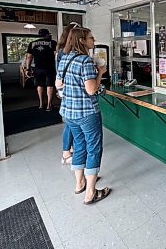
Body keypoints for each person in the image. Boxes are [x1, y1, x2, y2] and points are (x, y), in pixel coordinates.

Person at [56, 27, 111, 204]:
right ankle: (90, 192)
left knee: (79, 146)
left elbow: (58, 84)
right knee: (93, 149)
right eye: (91, 38)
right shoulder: (85, 61)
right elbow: (91, 89)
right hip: (87, 113)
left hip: (69, 112)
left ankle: (79, 183)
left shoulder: (65, 59)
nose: (93, 41)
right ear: (82, 41)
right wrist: (101, 72)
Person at [56, 22, 80, 165]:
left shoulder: (60, 50)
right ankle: (66, 153)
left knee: (71, 122)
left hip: (64, 90)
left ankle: (69, 150)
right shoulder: (64, 53)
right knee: (71, 123)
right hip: (69, 90)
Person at [26, 28, 57, 111]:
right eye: (48, 34)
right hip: (50, 68)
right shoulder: (52, 43)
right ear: (46, 35)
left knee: (40, 85)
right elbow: (56, 55)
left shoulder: (32, 43)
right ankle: (49, 105)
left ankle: (40, 104)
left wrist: (28, 68)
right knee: (49, 85)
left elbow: (29, 57)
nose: (49, 35)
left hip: (38, 68)